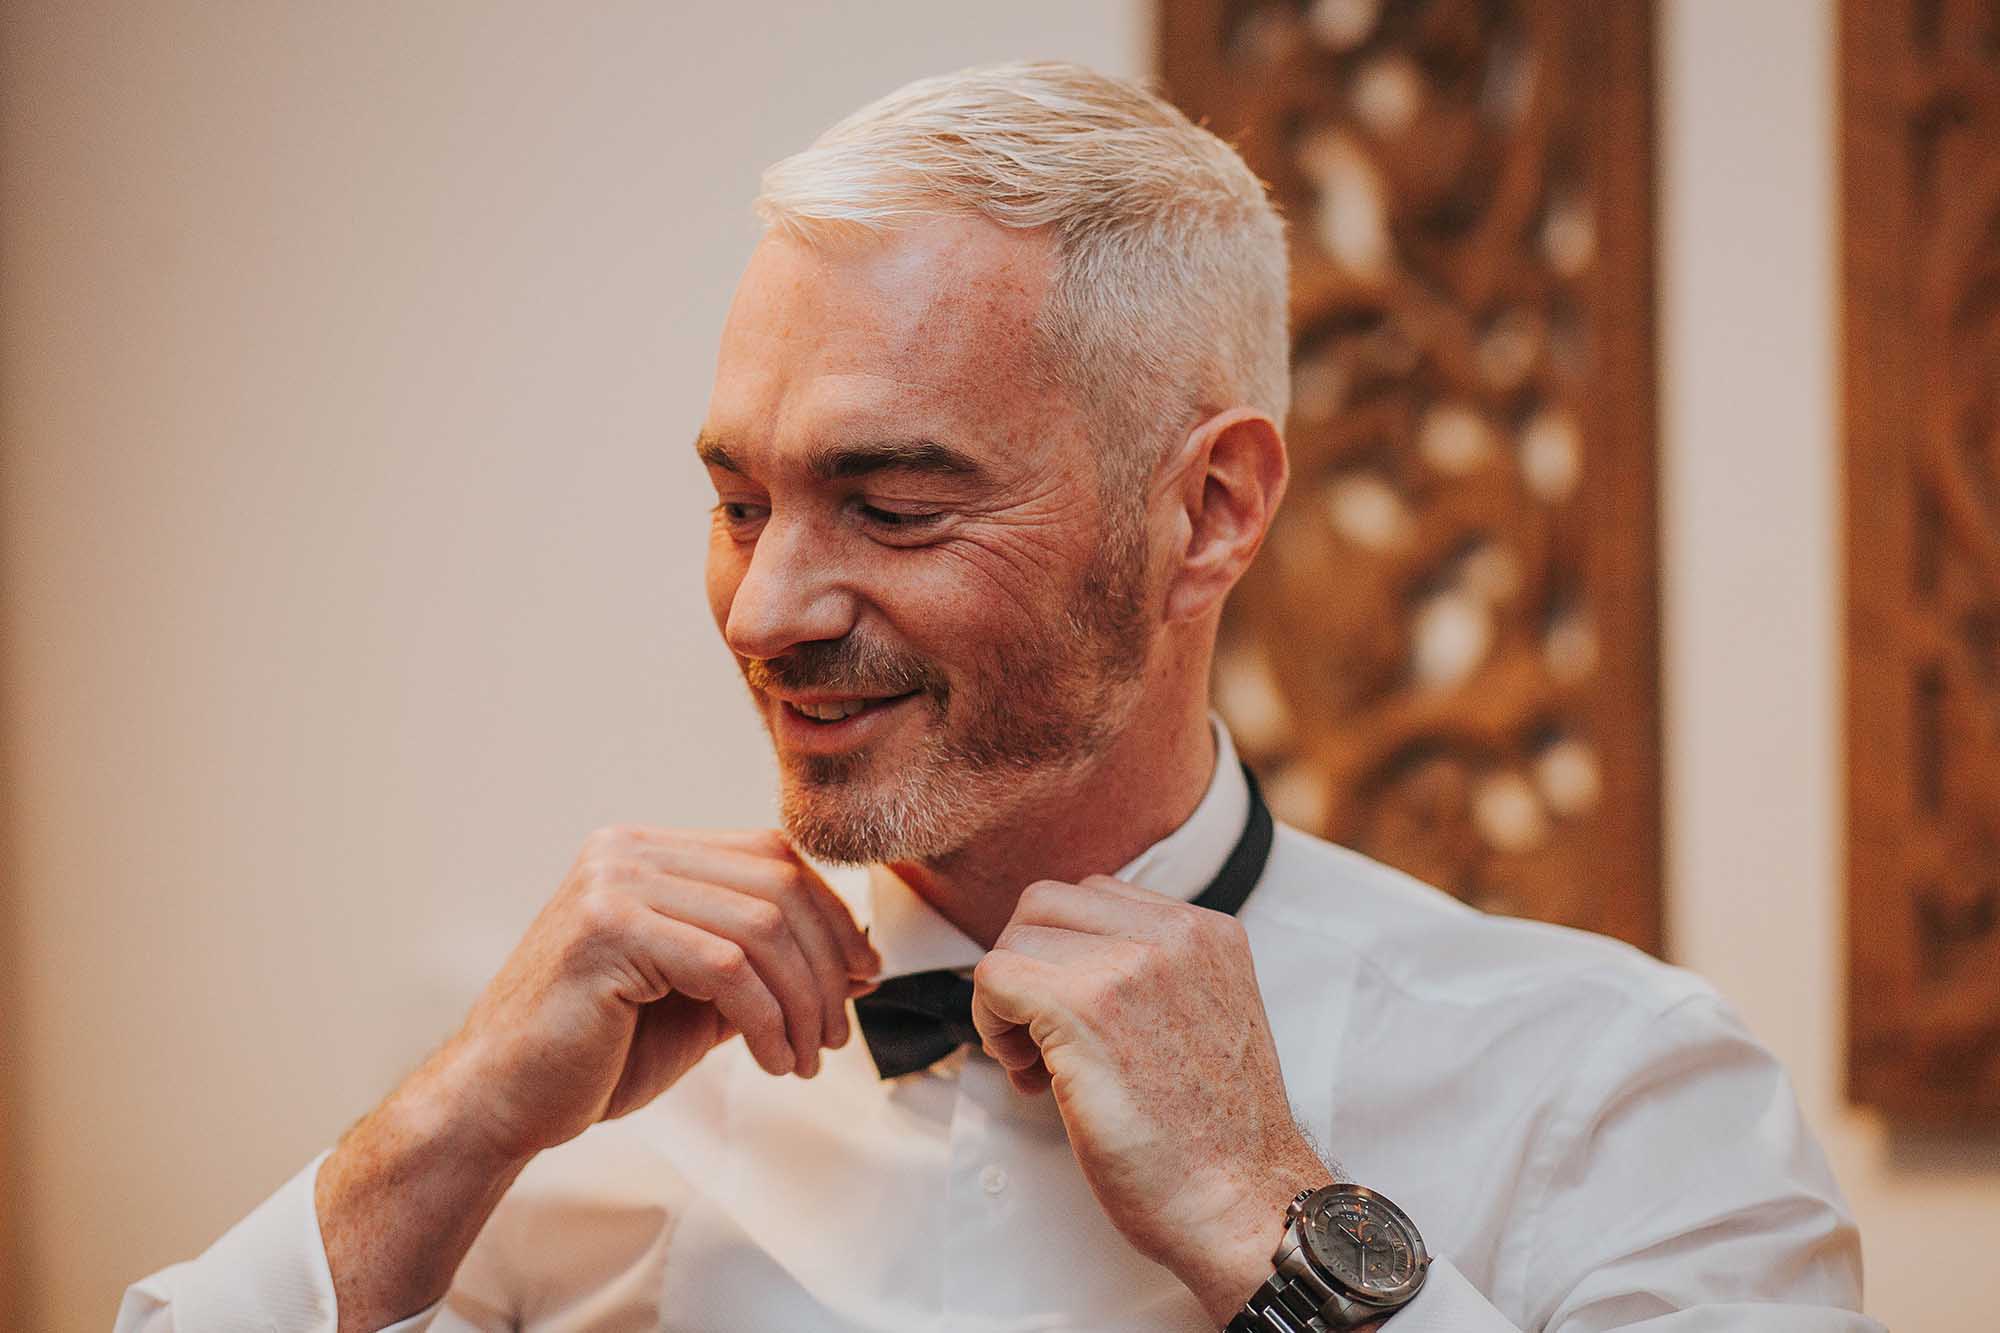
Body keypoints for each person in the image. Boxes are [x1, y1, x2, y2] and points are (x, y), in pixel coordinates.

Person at [117, 62, 1878, 1333]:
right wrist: (455, 1115)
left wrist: (1280, 1225)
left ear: (1212, 507)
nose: (770, 606)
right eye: (740, 504)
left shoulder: (1620, 1094)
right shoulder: (583, 1127)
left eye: (893, 504)